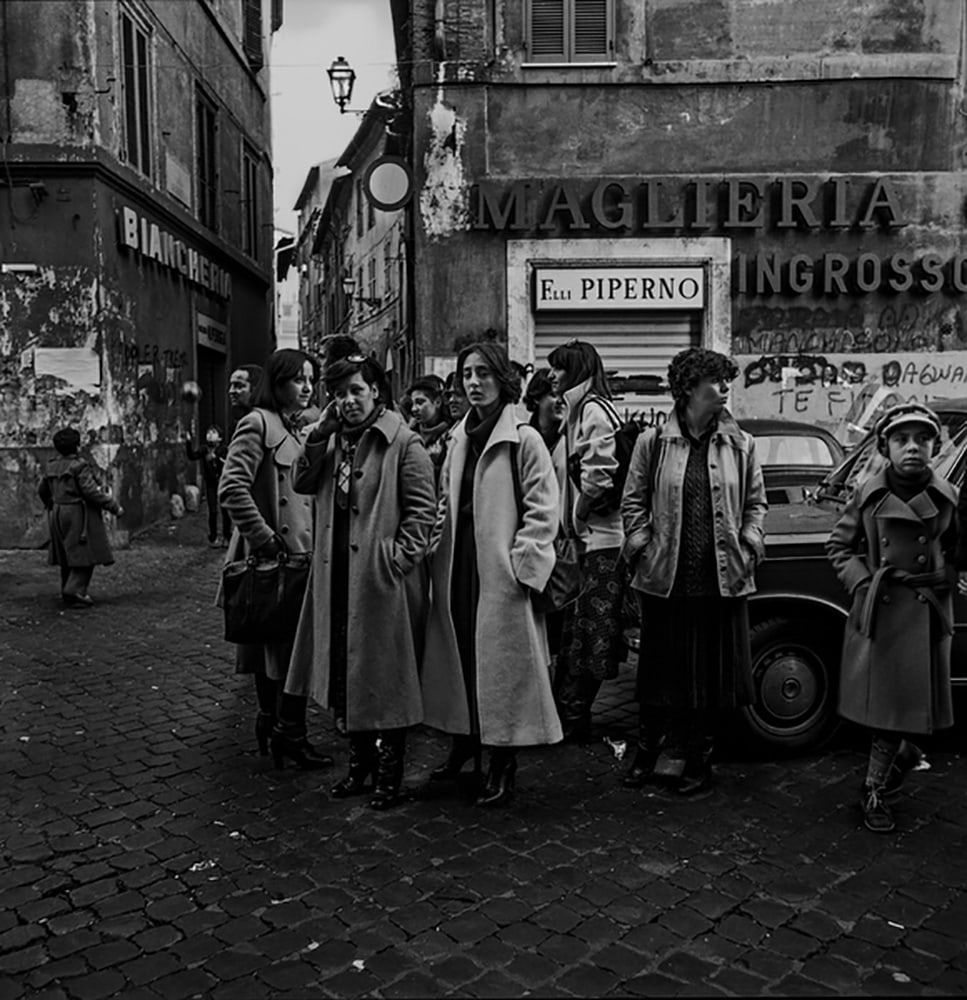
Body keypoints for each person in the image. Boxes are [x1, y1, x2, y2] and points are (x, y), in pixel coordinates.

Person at [285, 355, 436, 809]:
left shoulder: (403, 443)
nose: (348, 401)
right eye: (340, 393)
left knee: (385, 678)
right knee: (348, 676)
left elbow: (422, 511)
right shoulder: (332, 441)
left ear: (376, 392)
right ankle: (360, 768)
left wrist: (398, 558)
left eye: (356, 390)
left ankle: (389, 775)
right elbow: (301, 481)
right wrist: (319, 433)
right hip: (338, 577)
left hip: (380, 580)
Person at [621, 348, 766, 796]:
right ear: (688, 388)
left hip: (721, 577)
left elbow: (756, 504)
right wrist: (643, 544)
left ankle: (699, 761)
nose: (725, 389)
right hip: (667, 577)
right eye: (715, 381)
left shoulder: (740, 443)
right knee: (660, 672)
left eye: (727, 381)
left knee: (711, 676)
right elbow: (633, 501)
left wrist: (751, 541)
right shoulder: (654, 442)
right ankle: (648, 752)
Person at [422, 342, 562, 807]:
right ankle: (464, 740)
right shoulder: (460, 436)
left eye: (483, 373)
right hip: (459, 565)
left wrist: (523, 566)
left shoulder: (524, 438)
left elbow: (544, 511)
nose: (473, 381)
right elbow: (446, 499)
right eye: (466, 373)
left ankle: (503, 756)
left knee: (501, 667)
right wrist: (434, 545)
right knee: (461, 654)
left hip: (499, 573)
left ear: (502, 380)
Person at [827, 403, 959, 833]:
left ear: (935, 446)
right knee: (890, 715)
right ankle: (874, 791)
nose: (913, 448)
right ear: (886, 447)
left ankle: (901, 760)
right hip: (885, 609)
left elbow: (958, 547)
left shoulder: (948, 497)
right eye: (902, 440)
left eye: (922, 440)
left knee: (920, 716)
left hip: (928, 610)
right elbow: (840, 547)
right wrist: (864, 584)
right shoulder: (869, 494)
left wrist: (951, 572)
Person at [218, 348, 332, 770]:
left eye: (310, 379)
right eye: (298, 380)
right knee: (276, 648)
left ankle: (279, 727)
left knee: (288, 650)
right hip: (272, 557)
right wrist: (265, 539)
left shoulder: (302, 428)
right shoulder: (257, 423)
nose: (306, 388)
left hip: (302, 557)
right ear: (277, 383)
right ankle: (285, 730)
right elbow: (231, 489)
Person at [547, 340, 626, 743]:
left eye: (558, 369)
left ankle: (574, 716)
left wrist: (577, 517)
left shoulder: (592, 411)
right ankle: (568, 713)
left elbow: (599, 475)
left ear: (575, 370)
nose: (551, 376)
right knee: (580, 633)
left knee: (593, 634)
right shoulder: (579, 410)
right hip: (589, 543)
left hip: (602, 543)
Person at [38, 428, 124, 607]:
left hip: (58, 511)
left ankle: (67, 589)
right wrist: (113, 506)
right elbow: (90, 492)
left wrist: (51, 504)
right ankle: (75, 590)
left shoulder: (51, 465)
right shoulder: (79, 465)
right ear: (77, 446)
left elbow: (43, 490)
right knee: (85, 553)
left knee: (66, 553)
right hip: (78, 513)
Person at [522, 368, 567, 656]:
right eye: (553, 394)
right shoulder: (522, 441)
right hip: (535, 544)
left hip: (564, 547)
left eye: (563, 394)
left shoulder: (572, 438)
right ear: (536, 399)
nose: (560, 400)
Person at [185, 425, 230, 546]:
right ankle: (213, 537)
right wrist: (188, 442)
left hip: (223, 482)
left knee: (225, 510)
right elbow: (192, 456)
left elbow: (230, 463)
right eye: (208, 432)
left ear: (220, 438)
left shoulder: (224, 449)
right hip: (210, 484)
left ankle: (227, 537)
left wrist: (218, 458)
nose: (210, 434)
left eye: (213, 432)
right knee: (213, 510)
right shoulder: (204, 449)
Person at [407, 374, 452, 483]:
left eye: (420, 402)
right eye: (412, 403)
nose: (414, 409)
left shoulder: (451, 436)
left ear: (437, 402)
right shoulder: (409, 435)